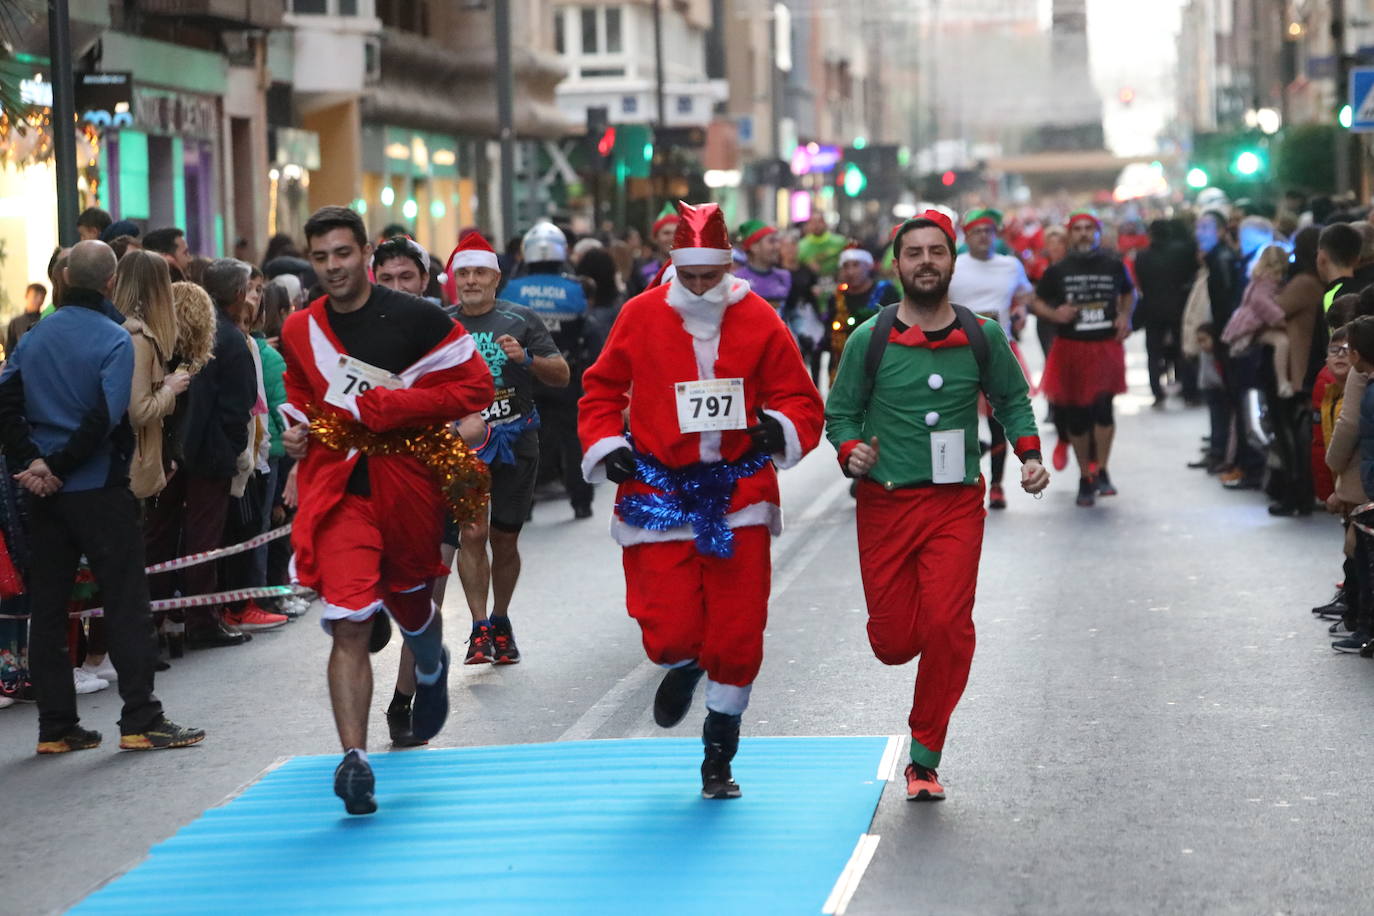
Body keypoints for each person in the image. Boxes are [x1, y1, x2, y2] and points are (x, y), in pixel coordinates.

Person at [578, 201, 825, 799]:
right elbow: (602, 387)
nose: (696, 287)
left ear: (727, 266)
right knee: (667, 633)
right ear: (672, 267)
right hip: (660, 490)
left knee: (738, 633)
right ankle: (684, 664)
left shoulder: (760, 318)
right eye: (687, 276)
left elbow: (799, 395)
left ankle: (719, 750)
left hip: (738, 492)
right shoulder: (640, 316)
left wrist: (779, 427)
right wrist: (609, 444)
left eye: (708, 276)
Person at [824, 211, 1049, 801]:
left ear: (952, 263)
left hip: (954, 505)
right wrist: (850, 450)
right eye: (914, 253)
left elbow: (1013, 400)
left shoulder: (982, 335)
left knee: (949, 626)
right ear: (896, 265)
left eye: (937, 252)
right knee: (894, 642)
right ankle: (917, 647)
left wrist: (1028, 454)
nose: (927, 262)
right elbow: (841, 412)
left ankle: (924, 757)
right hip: (885, 505)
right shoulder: (870, 339)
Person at [279, 205, 493, 815]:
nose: (331, 268)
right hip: (340, 483)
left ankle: (429, 660)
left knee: (408, 598)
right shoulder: (301, 329)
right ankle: (355, 759)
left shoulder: (419, 320)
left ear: (365, 254)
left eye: (342, 254)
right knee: (348, 619)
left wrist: (394, 406)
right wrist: (298, 430)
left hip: (408, 481)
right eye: (320, 258)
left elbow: (473, 388)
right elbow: (301, 394)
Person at [0, 239, 205, 754]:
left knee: (49, 607)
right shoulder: (115, 340)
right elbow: (106, 417)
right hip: (96, 487)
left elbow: (6, 398)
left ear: (64, 279)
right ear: (111, 282)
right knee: (126, 601)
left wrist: (33, 462)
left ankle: (56, 726)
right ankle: (140, 718)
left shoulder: (33, 336)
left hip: (44, 494)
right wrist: (60, 465)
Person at [443, 232, 568, 666]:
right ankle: (479, 628)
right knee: (472, 534)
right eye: (464, 272)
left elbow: (562, 375)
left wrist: (527, 360)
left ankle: (500, 618)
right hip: (464, 446)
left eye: (480, 272)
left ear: (497, 277)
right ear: (454, 278)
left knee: (505, 539)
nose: (471, 280)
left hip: (517, 440)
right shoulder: (442, 324)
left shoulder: (522, 319)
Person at [147, 260, 260, 648]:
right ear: (240, 293)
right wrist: (231, 448)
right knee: (203, 539)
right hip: (207, 457)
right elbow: (238, 405)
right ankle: (201, 620)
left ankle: (157, 618)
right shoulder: (228, 338)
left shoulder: (177, 334)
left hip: (171, 452)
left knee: (161, 537)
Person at [1031, 210, 1135, 507]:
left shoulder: (1113, 264)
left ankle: (1101, 469)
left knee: (1104, 411)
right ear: (1070, 234)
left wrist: (1125, 316)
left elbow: (1129, 293)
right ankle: (1084, 475)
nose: (1084, 233)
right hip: (1071, 347)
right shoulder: (1058, 269)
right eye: (1078, 229)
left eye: (1090, 228)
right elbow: (1036, 301)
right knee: (1077, 415)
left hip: (1105, 346)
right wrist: (1054, 313)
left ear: (1098, 233)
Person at [501, 222, 594, 519]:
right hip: (565, 375)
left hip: (523, 376)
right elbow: (584, 329)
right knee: (571, 440)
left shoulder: (513, 289)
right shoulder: (575, 288)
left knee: (523, 439)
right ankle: (581, 501)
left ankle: (523, 505)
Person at [947, 208, 1035, 510]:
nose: (984, 237)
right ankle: (960, 480)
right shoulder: (954, 266)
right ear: (966, 236)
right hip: (958, 352)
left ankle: (996, 485)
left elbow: (1025, 293)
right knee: (957, 418)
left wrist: (1020, 311)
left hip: (1000, 349)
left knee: (1001, 420)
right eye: (977, 232)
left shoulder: (1010, 265)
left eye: (989, 232)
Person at [1133, 219, 1198, 407]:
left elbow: (1142, 281)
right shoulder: (1183, 252)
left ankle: (1157, 392)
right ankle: (1189, 391)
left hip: (1152, 308)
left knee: (1154, 353)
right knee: (1183, 350)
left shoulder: (1142, 257)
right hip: (1179, 308)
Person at [829, 246, 900, 384]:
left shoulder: (885, 292)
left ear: (868, 266)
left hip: (881, 365)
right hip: (844, 366)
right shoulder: (837, 297)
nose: (850, 272)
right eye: (845, 266)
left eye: (856, 265)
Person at [628, 206, 679, 297]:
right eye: (666, 233)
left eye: (676, 233)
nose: (672, 238)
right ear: (655, 238)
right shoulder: (642, 269)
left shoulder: (691, 269)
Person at [797, 211, 848, 279]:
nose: (816, 225)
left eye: (819, 222)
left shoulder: (839, 241)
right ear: (808, 225)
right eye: (813, 222)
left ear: (825, 223)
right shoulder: (801, 246)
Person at [5, 283, 46, 358]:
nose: (39, 300)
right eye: (35, 296)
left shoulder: (45, 320)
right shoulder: (15, 323)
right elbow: (9, 351)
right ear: (26, 296)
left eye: (42, 297)